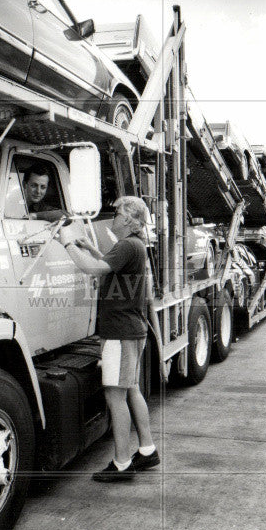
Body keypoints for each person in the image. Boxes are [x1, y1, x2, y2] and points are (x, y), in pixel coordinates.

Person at [59, 196, 161, 482]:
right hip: (132, 330)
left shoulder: (128, 244)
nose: (113, 216)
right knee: (131, 390)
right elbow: (109, 264)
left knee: (114, 395)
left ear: (129, 218)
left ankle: (122, 462)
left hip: (119, 333)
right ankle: (147, 449)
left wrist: (66, 242)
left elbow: (93, 270)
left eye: (117, 212)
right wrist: (91, 247)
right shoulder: (134, 245)